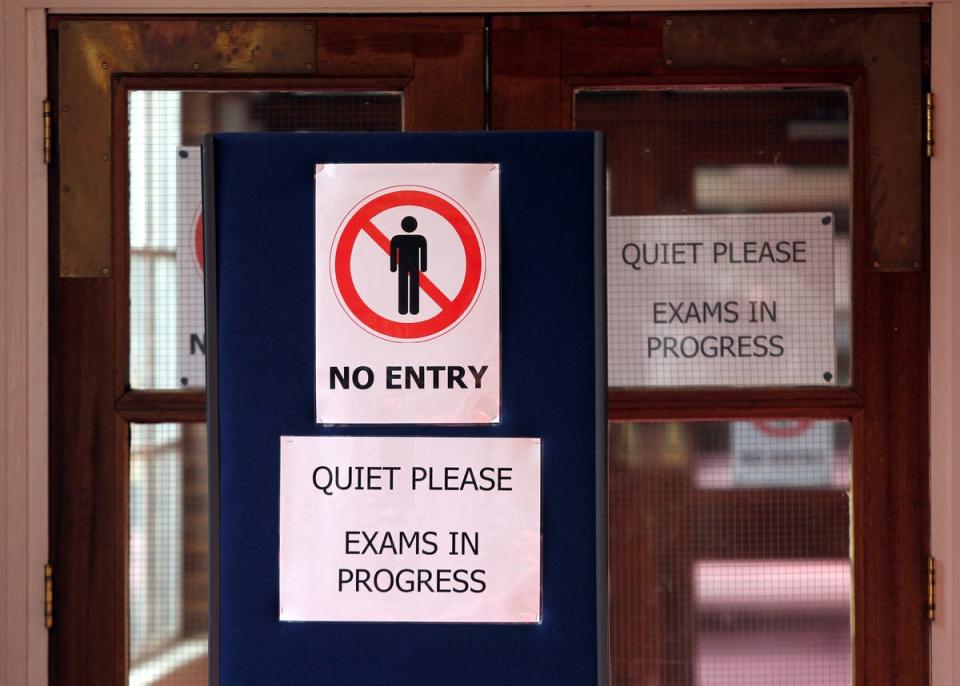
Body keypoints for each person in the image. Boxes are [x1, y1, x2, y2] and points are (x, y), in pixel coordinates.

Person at [390, 215, 428, 315]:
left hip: (403, 266)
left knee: (403, 286)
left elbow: (393, 254)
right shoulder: (420, 239)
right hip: (414, 266)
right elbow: (423, 254)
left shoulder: (396, 239)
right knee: (413, 286)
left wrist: (393, 267)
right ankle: (413, 309)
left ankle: (403, 310)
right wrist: (423, 267)